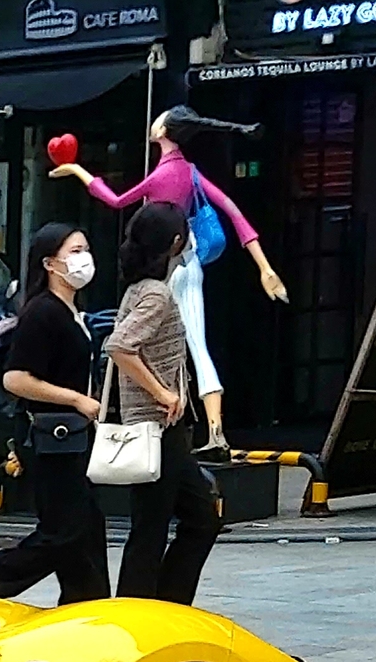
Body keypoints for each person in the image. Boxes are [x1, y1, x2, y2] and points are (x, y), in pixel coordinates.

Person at [54, 105, 286, 450]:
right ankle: (214, 431)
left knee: (136, 342)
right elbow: (233, 211)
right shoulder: (189, 172)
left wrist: (78, 171)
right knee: (192, 343)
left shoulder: (163, 175)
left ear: (163, 131)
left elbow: (117, 201)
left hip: (165, 269)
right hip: (190, 263)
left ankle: (155, 421)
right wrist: (264, 267)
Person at [0, 225, 108, 606]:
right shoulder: (41, 312)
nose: (84, 258)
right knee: (64, 530)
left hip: (73, 436)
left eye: (86, 249)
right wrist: (77, 400)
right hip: (50, 436)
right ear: (50, 263)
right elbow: (15, 379)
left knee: (86, 526)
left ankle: (88, 604)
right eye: (75, 251)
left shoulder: (71, 311)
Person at [105, 201, 220, 605]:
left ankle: (165, 605)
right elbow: (119, 346)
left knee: (196, 519)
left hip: (162, 427)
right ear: (176, 243)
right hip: (155, 425)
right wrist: (163, 392)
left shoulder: (141, 289)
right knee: (155, 527)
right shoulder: (155, 295)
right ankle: (142, 610)